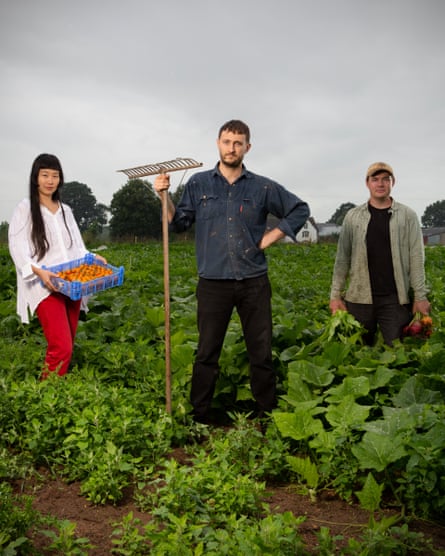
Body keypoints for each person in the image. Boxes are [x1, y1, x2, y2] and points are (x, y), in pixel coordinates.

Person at [154, 119, 310, 423]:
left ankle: (266, 414)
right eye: (227, 142)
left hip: (253, 281)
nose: (232, 148)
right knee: (207, 351)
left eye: (238, 143)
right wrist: (164, 196)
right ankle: (201, 415)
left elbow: (299, 209)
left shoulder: (262, 186)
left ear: (247, 148)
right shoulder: (199, 184)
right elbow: (179, 222)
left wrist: (270, 237)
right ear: (218, 143)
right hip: (213, 282)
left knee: (261, 352)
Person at [8, 153, 106, 377]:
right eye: (45, 175)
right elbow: (17, 246)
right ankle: (45, 394)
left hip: (71, 282)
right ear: (36, 178)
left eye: (55, 175)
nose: (50, 180)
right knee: (61, 346)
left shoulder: (66, 210)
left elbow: (76, 246)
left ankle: (56, 388)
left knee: (67, 341)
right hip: (44, 283)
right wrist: (38, 271)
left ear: (60, 179)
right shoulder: (25, 208)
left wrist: (92, 257)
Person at [329, 161, 430, 346]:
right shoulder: (353, 217)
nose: (381, 184)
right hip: (359, 298)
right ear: (367, 183)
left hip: (395, 299)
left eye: (386, 179)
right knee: (358, 351)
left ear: (393, 182)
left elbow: (417, 258)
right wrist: (335, 296)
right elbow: (342, 259)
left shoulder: (408, 216)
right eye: (375, 179)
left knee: (397, 351)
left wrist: (420, 296)